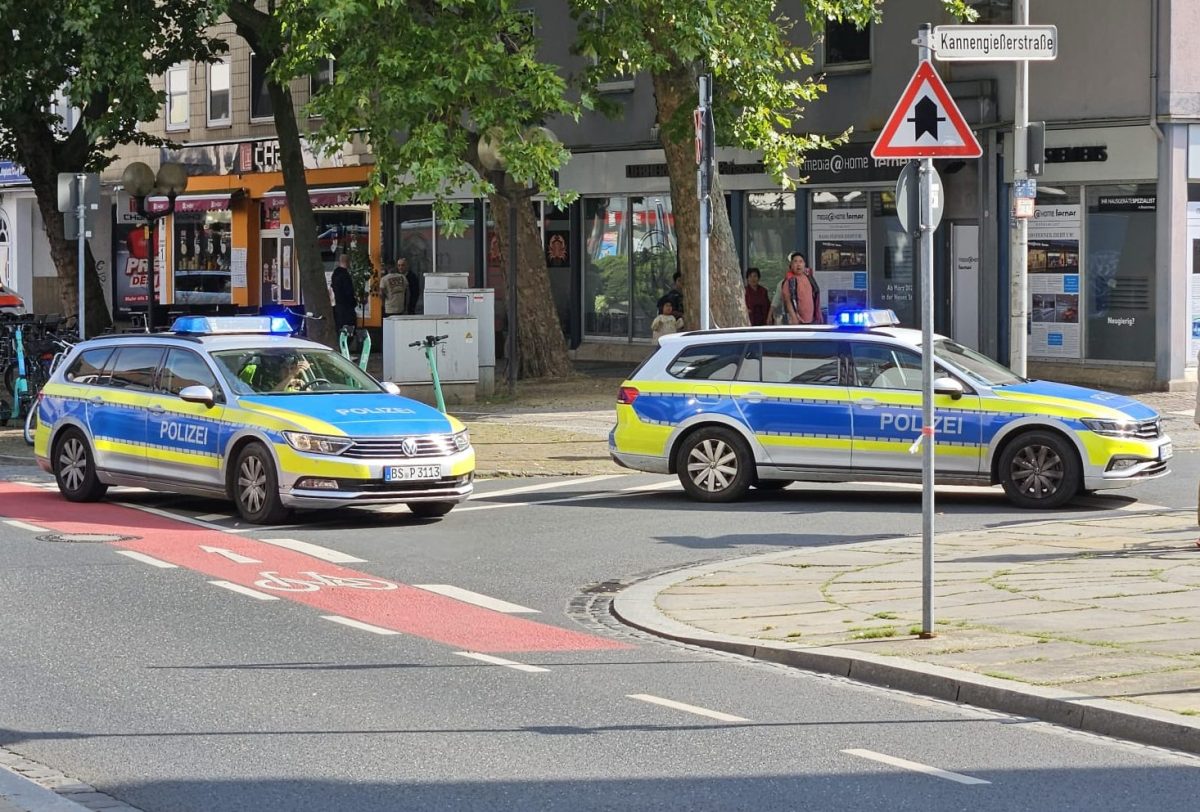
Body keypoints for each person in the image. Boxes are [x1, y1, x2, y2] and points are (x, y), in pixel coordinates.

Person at [779, 251, 823, 325]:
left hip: (812, 320)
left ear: (804, 264)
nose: (798, 264)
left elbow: (815, 297)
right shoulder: (789, 281)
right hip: (797, 321)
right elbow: (788, 301)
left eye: (801, 261)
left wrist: (819, 314)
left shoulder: (809, 278)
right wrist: (794, 317)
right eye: (795, 262)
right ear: (791, 265)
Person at [330, 253, 357, 330]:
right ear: (348, 262)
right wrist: (353, 302)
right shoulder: (345, 276)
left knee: (340, 328)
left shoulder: (335, 275)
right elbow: (348, 292)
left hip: (338, 306)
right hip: (346, 307)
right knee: (349, 328)